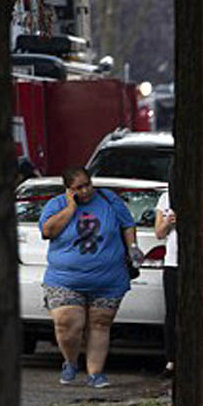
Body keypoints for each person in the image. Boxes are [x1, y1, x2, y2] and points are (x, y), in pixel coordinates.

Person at [39, 166, 142, 388]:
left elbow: (127, 224)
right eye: (79, 188)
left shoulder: (109, 200)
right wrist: (70, 207)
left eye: (88, 184)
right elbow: (48, 231)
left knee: (100, 324)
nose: (86, 191)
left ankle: (96, 373)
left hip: (108, 278)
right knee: (68, 323)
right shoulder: (56, 205)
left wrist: (133, 247)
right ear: (68, 189)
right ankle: (70, 362)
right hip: (65, 279)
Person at [154, 185, 178, 378]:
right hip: (173, 262)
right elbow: (159, 233)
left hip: (197, 263)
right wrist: (169, 221)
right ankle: (172, 360)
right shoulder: (166, 197)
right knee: (172, 312)